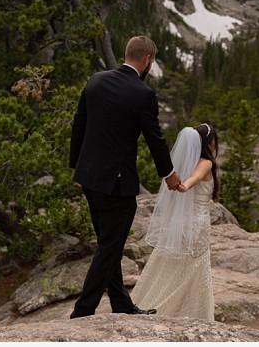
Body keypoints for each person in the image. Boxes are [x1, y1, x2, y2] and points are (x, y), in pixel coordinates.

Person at [68, 35, 183, 319]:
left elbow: (79, 124)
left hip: (89, 178)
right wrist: (169, 173)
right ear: (147, 60)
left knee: (110, 244)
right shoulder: (142, 93)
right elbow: (154, 139)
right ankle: (83, 312)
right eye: (151, 62)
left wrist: (77, 168)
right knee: (109, 248)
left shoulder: (95, 80)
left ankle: (121, 304)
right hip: (116, 185)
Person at [130, 123, 220, 321]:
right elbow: (195, 179)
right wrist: (185, 186)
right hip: (197, 221)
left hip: (184, 221)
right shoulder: (206, 162)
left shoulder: (187, 161)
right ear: (209, 142)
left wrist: (182, 185)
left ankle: (156, 304)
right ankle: (193, 314)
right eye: (214, 139)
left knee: (176, 265)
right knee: (194, 266)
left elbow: (191, 178)